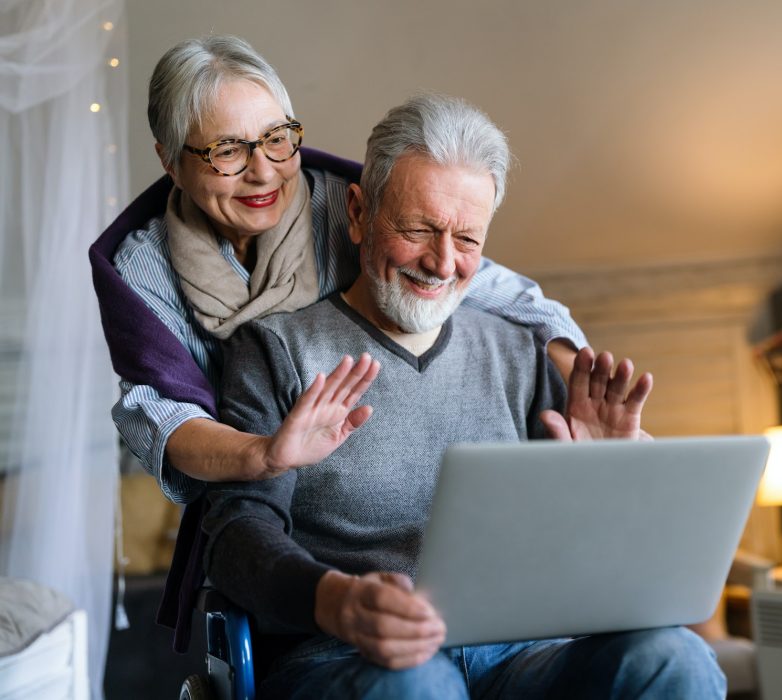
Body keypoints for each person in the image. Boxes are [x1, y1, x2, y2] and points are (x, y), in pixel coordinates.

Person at [203, 93, 725, 699]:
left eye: (468, 238)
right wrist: (333, 600)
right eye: (418, 228)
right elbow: (236, 534)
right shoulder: (273, 350)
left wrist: (607, 475)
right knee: (418, 685)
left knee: (673, 657)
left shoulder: (521, 354)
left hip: (524, 655)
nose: (442, 262)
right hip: (349, 656)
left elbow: (592, 564)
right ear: (358, 212)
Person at [89, 36, 590, 648]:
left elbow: (475, 277)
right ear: (171, 161)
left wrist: (580, 387)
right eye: (227, 150)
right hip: (255, 470)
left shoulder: (333, 203)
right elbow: (163, 414)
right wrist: (264, 453)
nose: (264, 170)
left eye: (277, 138)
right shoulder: (147, 269)